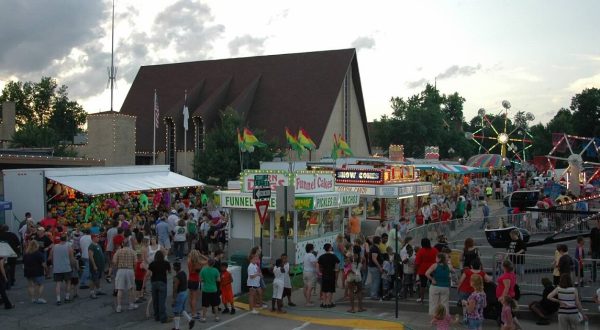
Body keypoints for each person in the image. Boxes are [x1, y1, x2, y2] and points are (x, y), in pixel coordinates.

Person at [112, 238, 138, 312]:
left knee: (120, 289)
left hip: (121, 270)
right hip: (130, 270)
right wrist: (134, 269)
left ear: (122, 244)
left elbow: (114, 261)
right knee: (131, 288)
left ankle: (119, 307)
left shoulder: (118, 251)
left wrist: (118, 265)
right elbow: (135, 263)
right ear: (129, 244)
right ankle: (131, 304)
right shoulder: (133, 252)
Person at [50, 234, 75, 305]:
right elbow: (71, 258)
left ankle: (58, 299)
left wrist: (53, 264)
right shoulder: (68, 247)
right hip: (67, 267)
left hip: (57, 268)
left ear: (60, 239)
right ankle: (67, 297)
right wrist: (73, 265)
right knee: (68, 282)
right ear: (66, 239)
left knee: (58, 284)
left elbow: (51, 257)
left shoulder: (54, 247)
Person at [148, 250, 171, 323]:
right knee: (162, 301)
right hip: (162, 282)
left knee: (155, 301)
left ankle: (156, 316)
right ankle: (163, 317)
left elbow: (149, 273)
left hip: (154, 282)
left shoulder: (152, 264)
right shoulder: (166, 263)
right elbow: (169, 272)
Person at [172, 261, 195, 330]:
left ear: (175, 268)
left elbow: (175, 289)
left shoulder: (176, 277)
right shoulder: (184, 273)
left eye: (173, 266)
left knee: (176, 311)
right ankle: (190, 320)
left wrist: (174, 299)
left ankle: (177, 328)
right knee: (181, 309)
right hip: (185, 292)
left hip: (180, 294)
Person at [415, 238, 437, 304]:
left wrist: (416, 270)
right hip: (433, 269)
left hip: (422, 270)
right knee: (433, 284)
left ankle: (421, 299)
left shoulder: (421, 251)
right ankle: (434, 299)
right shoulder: (435, 250)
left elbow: (417, 262)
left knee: (423, 285)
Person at [317, 243, 340, 308]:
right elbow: (338, 262)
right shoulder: (333, 256)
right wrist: (336, 269)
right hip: (331, 273)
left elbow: (318, 264)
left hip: (324, 274)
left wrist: (319, 272)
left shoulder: (321, 256)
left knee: (324, 289)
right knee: (330, 289)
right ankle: (329, 302)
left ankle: (324, 303)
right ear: (330, 248)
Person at [346, 246, 365, 313]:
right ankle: (360, 308)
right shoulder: (362, 258)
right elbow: (363, 268)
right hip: (358, 275)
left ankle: (352, 309)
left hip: (351, 275)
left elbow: (346, 266)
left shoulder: (350, 257)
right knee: (359, 291)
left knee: (351, 291)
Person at [0, 225, 20, 289]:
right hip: (12, 254)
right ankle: (11, 280)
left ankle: (4, 280)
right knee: (12, 267)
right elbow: (18, 244)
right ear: (8, 229)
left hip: (2, 254)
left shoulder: (0, 235)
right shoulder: (13, 235)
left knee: (3, 267)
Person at [187, 249, 205, 319]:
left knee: (191, 297)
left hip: (190, 280)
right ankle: (194, 314)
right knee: (194, 298)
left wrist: (191, 254)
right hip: (195, 281)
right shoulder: (199, 263)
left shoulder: (189, 262)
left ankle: (192, 312)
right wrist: (201, 255)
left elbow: (189, 257)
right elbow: (208, 260)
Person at [88, 234, 106, 299]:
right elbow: (91, 257)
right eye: (97, 237)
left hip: (100, 265)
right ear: (93, 238)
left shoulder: (97, 245)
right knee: (93, 279)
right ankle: (92, 293)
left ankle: (99, 290)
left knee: (98, 278)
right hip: (95, 266)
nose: (99, 238)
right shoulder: (91, 246)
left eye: (99, 237)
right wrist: (94, 265)